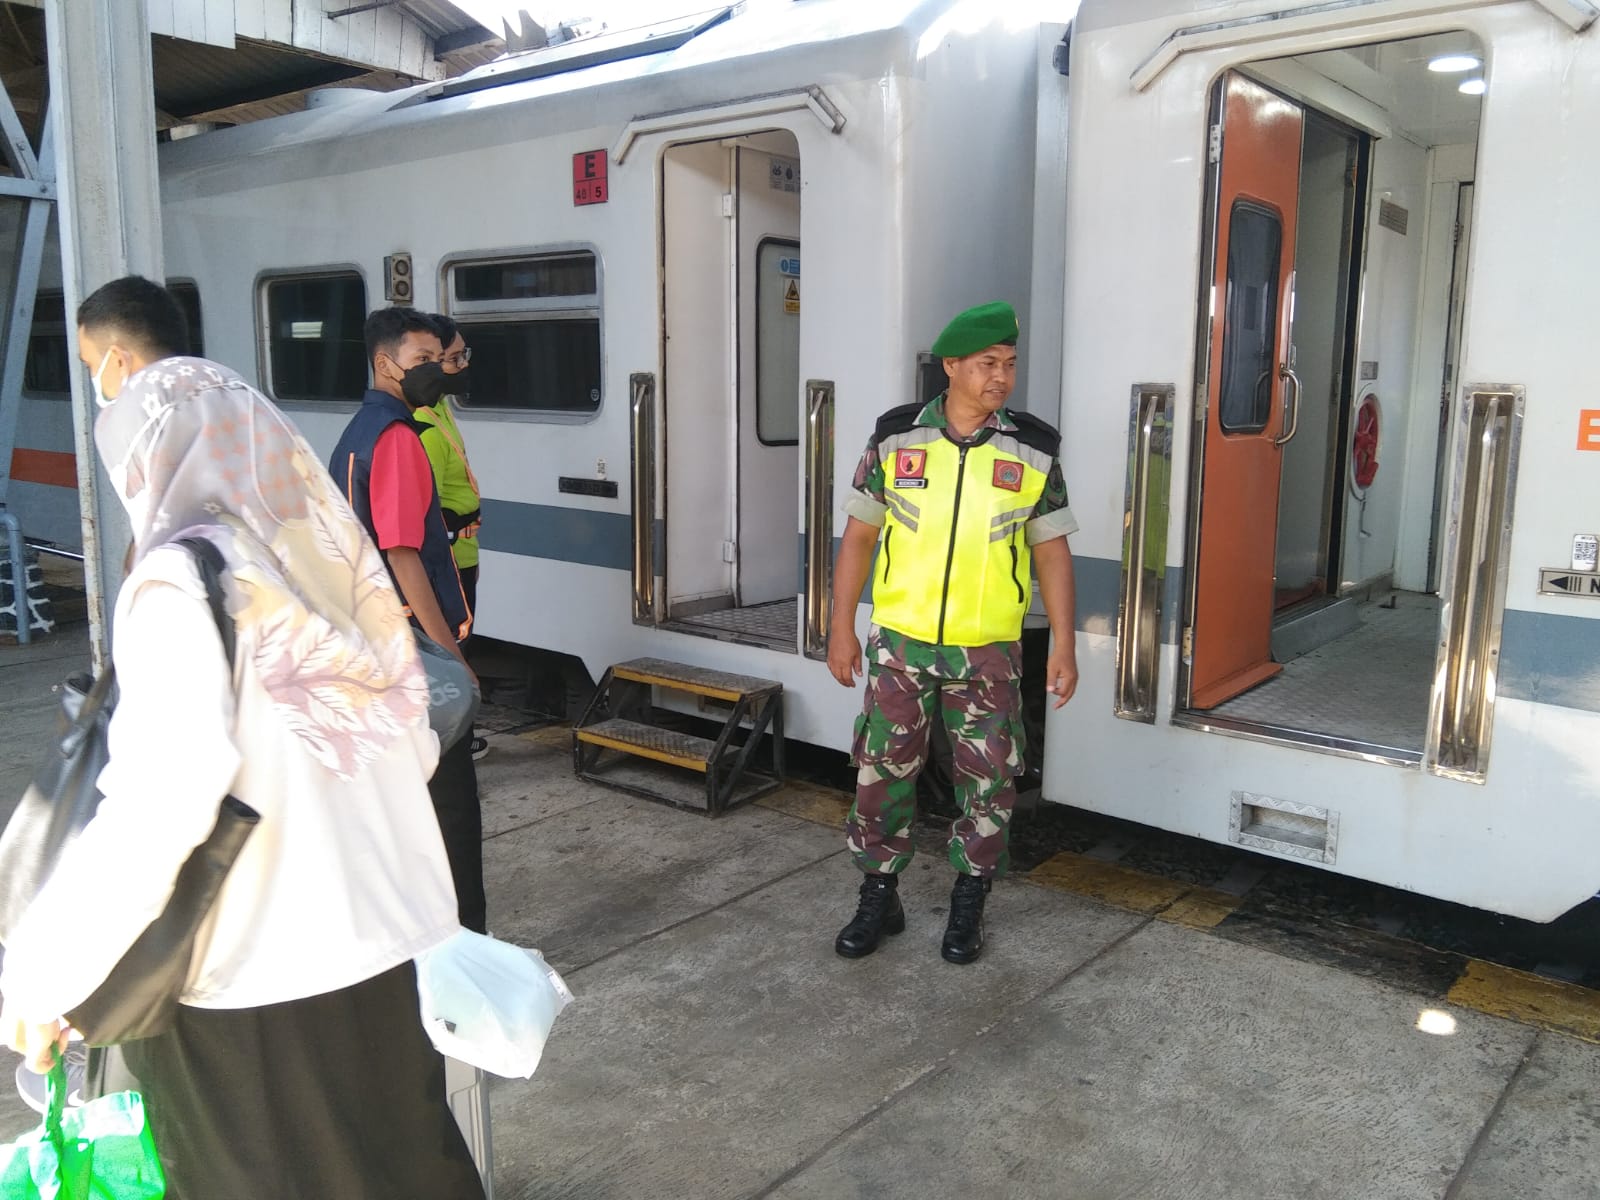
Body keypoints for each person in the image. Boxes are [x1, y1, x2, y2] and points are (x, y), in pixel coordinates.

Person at [1, 277, 484, 1198]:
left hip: (255, 983)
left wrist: (43, 973)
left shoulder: (178, 582)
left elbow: (159, 810)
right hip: (388, 953)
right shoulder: (335, 571)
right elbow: (414, 742)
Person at [827, 301, 1080, 965]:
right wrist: (840, 627)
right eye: (988, 363)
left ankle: (970, 898)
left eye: (1010, 364)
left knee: (989, 780)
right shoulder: (895, 439)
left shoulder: (1033, 449)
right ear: (951, 366)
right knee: (882, 773)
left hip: (987, 649)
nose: (1002, 377)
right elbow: (858, 538)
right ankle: (879, 895)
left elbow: (1051, 551)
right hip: (900, 643)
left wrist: (1064, 643)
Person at [330, 307, 486, 934]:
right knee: (451, 814)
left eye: (436, 359)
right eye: (421, 360)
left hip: (368, 637)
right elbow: (402, 552)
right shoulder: (397, 437)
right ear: (384, 363)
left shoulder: (359, 430)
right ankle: (466, 940)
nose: (435, 371)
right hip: (408, 647)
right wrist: (453, 658)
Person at [419, 314, 488, 761]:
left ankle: (460, 737)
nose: (464, 365)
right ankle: (453, 743)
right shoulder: (423, 425)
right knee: (449, 650)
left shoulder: (441, 408)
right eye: (455, 357)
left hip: (462, 552)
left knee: (459, 643)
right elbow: (424, 512)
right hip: (446, 560)